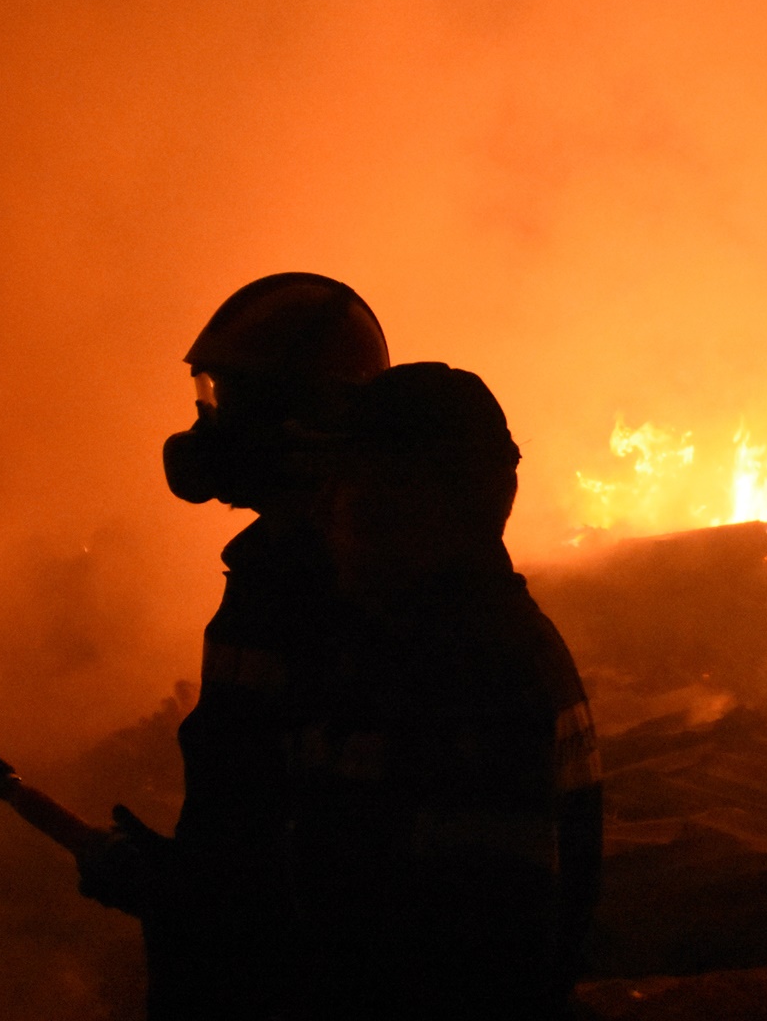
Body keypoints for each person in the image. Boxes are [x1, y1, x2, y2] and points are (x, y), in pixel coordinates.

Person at [77, 272, 390, 1020]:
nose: (206, 423)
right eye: (205, 393)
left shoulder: (350, 593)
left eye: (227, 396)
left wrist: (198, 896)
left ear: (301, 414)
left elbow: (345, 862)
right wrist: (185, 875)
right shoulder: (272, 570)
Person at [289, 362, 602, 1019]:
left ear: (420, 504)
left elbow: (469, 956)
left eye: (350, 489)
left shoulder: (474, 676)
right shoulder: (442, 648)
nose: (326, 515)